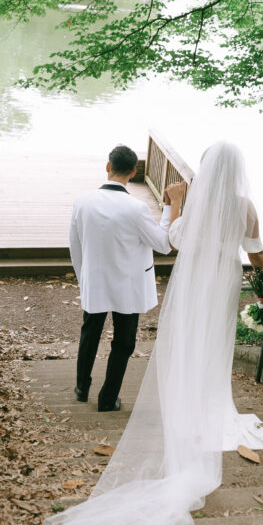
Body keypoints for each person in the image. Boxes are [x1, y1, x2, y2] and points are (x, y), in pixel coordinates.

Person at [32, 141, 263, 525]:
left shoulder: (197, 205)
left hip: (193, 286)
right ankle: (209, 406)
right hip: (224, 282)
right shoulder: (246, 207)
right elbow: (257, 255)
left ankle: (184, 408)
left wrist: (173, 204)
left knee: (189, 341)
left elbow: (171, 239)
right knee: (215, 347)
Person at [69, 144, 185, 411]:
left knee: (90, 334)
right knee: (123, 343)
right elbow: (164, 245)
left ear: (108, 166)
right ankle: (108, 399)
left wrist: (82, 278)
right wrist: (171, 205)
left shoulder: (81, 202)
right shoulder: (137, 209)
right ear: (133, 173)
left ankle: (81, 388)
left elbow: (74, 245)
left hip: (95, 281)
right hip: (128, 286)